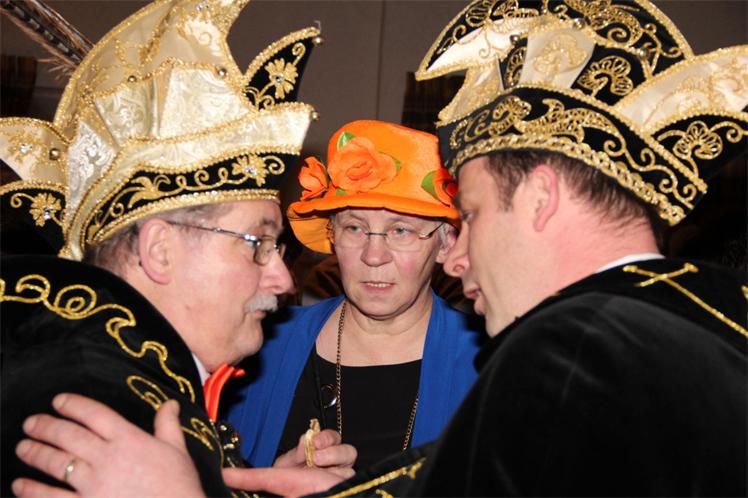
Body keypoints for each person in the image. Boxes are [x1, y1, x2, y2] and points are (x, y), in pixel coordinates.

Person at [11, 0, 748, 496]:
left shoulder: (578, 350)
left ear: (541, 198)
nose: (455, 258)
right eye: (353, 227)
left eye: (469, 216)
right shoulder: (710, 315)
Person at [1, 0, 355, 496]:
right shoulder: (99, 404)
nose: (282, 280)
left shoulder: (125, 374)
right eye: (257, 244)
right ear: (160, 250)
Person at [225, 119, 483, 471]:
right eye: (355, 228)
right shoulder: (261, 342)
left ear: (446, 244)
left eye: (401, 230)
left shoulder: (485, 362)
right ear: (333, 236)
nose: (373, 256)